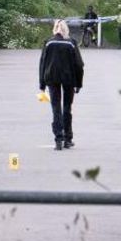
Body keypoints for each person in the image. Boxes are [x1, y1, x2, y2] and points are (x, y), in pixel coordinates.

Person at [38, 19, 84, 149]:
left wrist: (42, 84)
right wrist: (79, 83)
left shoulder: (48, 43)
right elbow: (79, 65)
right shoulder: (71, 43)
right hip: (68, 79)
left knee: (56, 107)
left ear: (55, 29)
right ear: (66, 30)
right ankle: (67, 138)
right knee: (67, 107)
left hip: (52, 78)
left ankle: (58, 138)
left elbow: (42, 64)